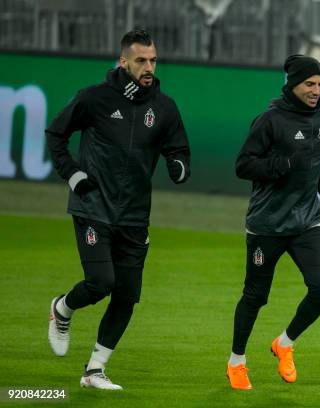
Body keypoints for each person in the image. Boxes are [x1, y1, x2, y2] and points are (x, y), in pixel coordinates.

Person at [45, 29, 191, 390]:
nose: (148, 67)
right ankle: (62, 308)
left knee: (126, 295)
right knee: (102, 282)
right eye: (141, 60)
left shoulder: (165, 108)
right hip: (93, 206)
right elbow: (56, 134)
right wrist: (73, 173)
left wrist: (178, 165)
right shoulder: (95, 98)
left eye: (153, 60)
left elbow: (179, 150)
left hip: (135, 215)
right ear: (123, 61)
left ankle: (94, 370)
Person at [226, 55, 320, 390]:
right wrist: (280, 165)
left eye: (319, 84)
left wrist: (319, 179)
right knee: (255, 296)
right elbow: (243, 165)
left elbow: (310, 159)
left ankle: (284, 343)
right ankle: (237, 361)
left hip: (306, 223)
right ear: (292, 85)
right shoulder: (269, 121)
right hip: (267, 226)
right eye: (309, 84)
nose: (316, 90)